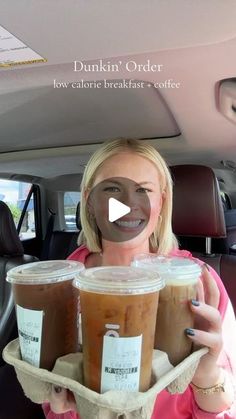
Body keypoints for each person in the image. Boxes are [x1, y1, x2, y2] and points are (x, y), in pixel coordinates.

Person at [43, 139, 236, 419]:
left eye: (144, 190)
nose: (128, 205)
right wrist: (64, 410)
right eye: (111, 189)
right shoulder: (60, 284)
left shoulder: (200, 282)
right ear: (89, 200)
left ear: (163, 201)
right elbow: (52, 402)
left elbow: (225, 410)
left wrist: (206, 374)